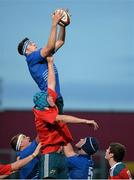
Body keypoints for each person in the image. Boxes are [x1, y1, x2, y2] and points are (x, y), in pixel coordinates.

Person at [32, 56, 99, 179]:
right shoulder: (42, 112)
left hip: (59, 156)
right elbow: (63, 118)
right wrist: (85, 120)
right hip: (50, 155)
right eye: (49, 97)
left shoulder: (49, 104)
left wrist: (50, 63)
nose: (52, 96)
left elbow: (51, 83)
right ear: (44, 104)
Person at [17, 9, 68, 114]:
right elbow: (49, 48)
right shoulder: (31, 58)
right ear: (27, 50)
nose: (34, 43)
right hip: (49, 101)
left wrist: (62, 25)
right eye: (31, 43)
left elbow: (61, 41)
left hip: (56, 99)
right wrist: (54, 24)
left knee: (58, 130)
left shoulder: (42, 56)